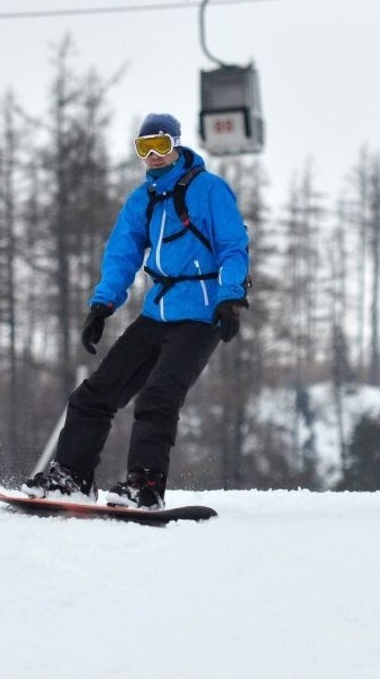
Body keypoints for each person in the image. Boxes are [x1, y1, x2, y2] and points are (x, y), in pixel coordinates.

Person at [22, 113, 250, 509]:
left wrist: (230, 296)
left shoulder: (210, 190)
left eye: (161, 146)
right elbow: (122, 254)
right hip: (156, 313)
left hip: (199, 314)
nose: (154, 156)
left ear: (177, 145)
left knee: (158, 396)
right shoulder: (141, 200)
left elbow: (233, 244)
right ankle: (71, 476)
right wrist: (102, 304)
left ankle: (145, 485)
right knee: (94, 394)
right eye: (144, 148)